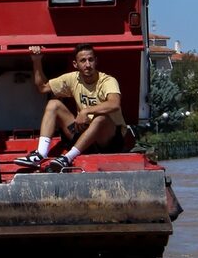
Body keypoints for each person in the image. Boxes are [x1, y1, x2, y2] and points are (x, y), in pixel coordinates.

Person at [12, 43, 128, 172]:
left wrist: (85, 111)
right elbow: (43, 88)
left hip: (108, 140)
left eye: (90, 60)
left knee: (100, 118)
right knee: (53, 104)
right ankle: (40, 154)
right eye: (83, 61)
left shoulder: (107, 80)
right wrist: (36, 60)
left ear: (96, 61)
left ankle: (67, 158)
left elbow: (114, 104)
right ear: (75, 64)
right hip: (84, 135)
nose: (88, 64)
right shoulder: (73, 78)